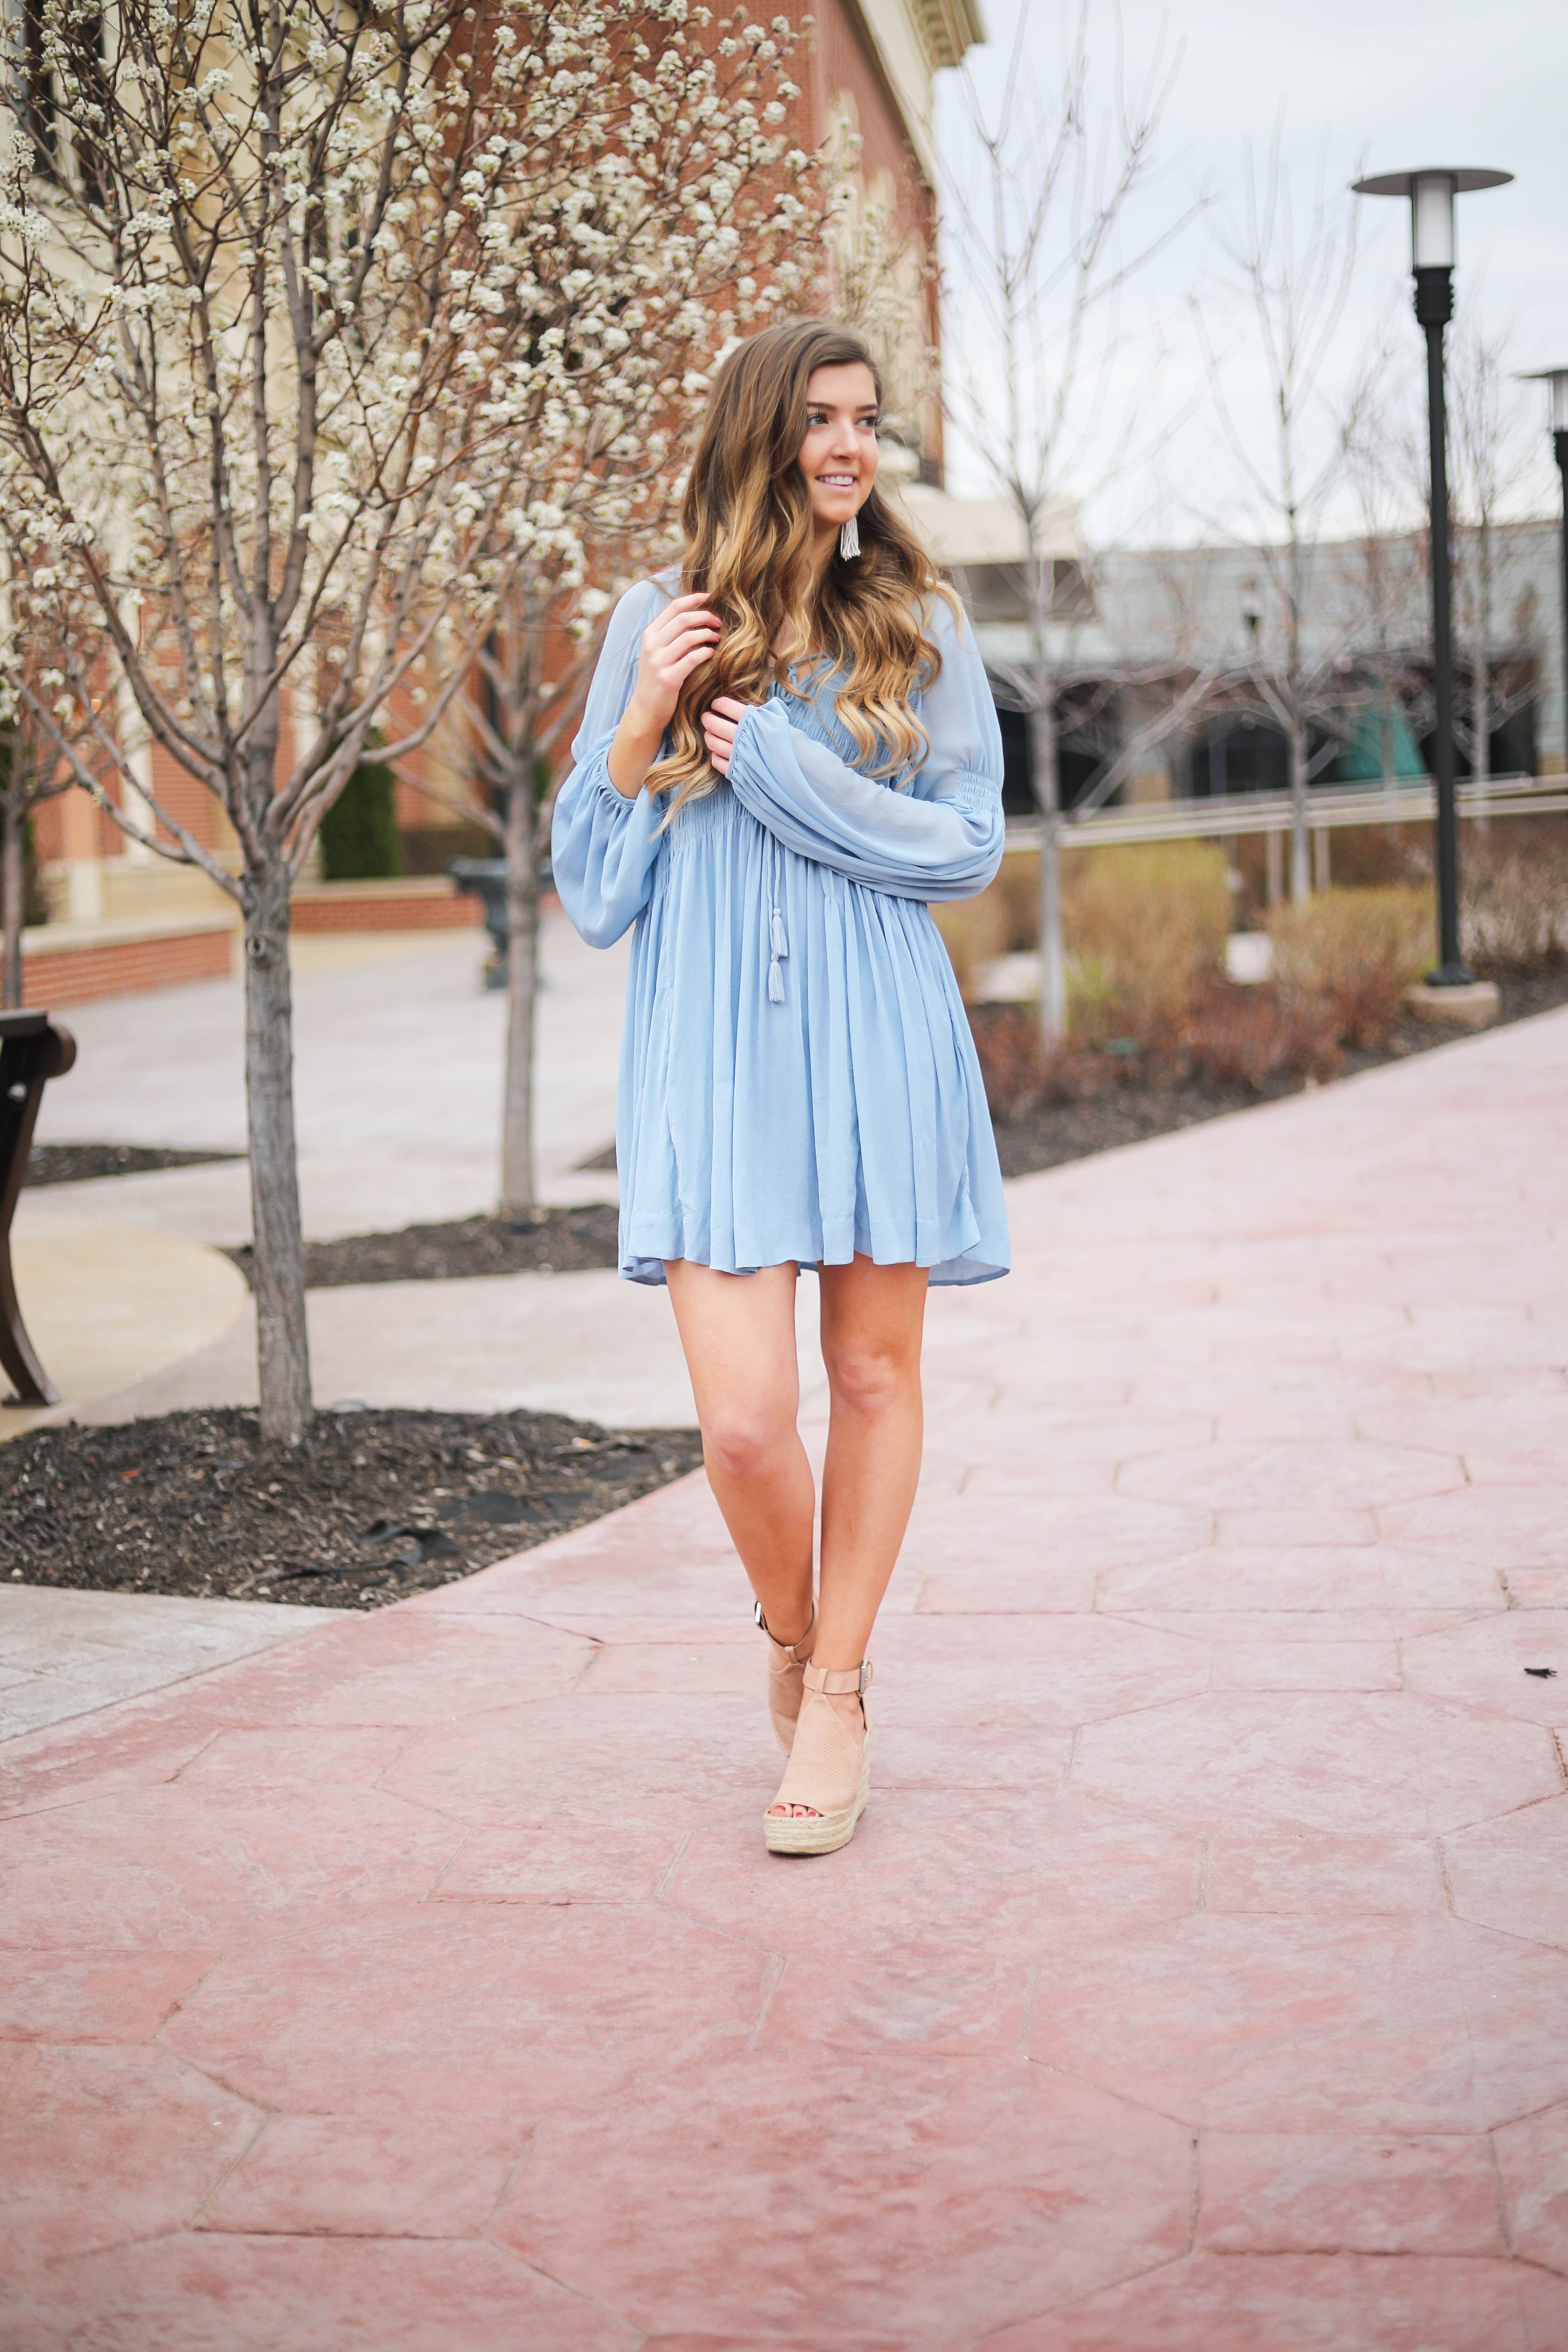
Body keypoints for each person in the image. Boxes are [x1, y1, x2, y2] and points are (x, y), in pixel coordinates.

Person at [552, 318, 1009, 1855]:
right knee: (746, 1425)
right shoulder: (654, 618)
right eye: (820, 418)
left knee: (872, 1378)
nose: (848, 446)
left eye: (867, 421)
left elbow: (966, 845)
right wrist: (634, 732)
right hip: (712, 1056)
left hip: (879, 1034)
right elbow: (594, 897)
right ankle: (796, 1639)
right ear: (761, 433)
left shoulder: (917, 623)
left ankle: (839, 1692)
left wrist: (794, 779)